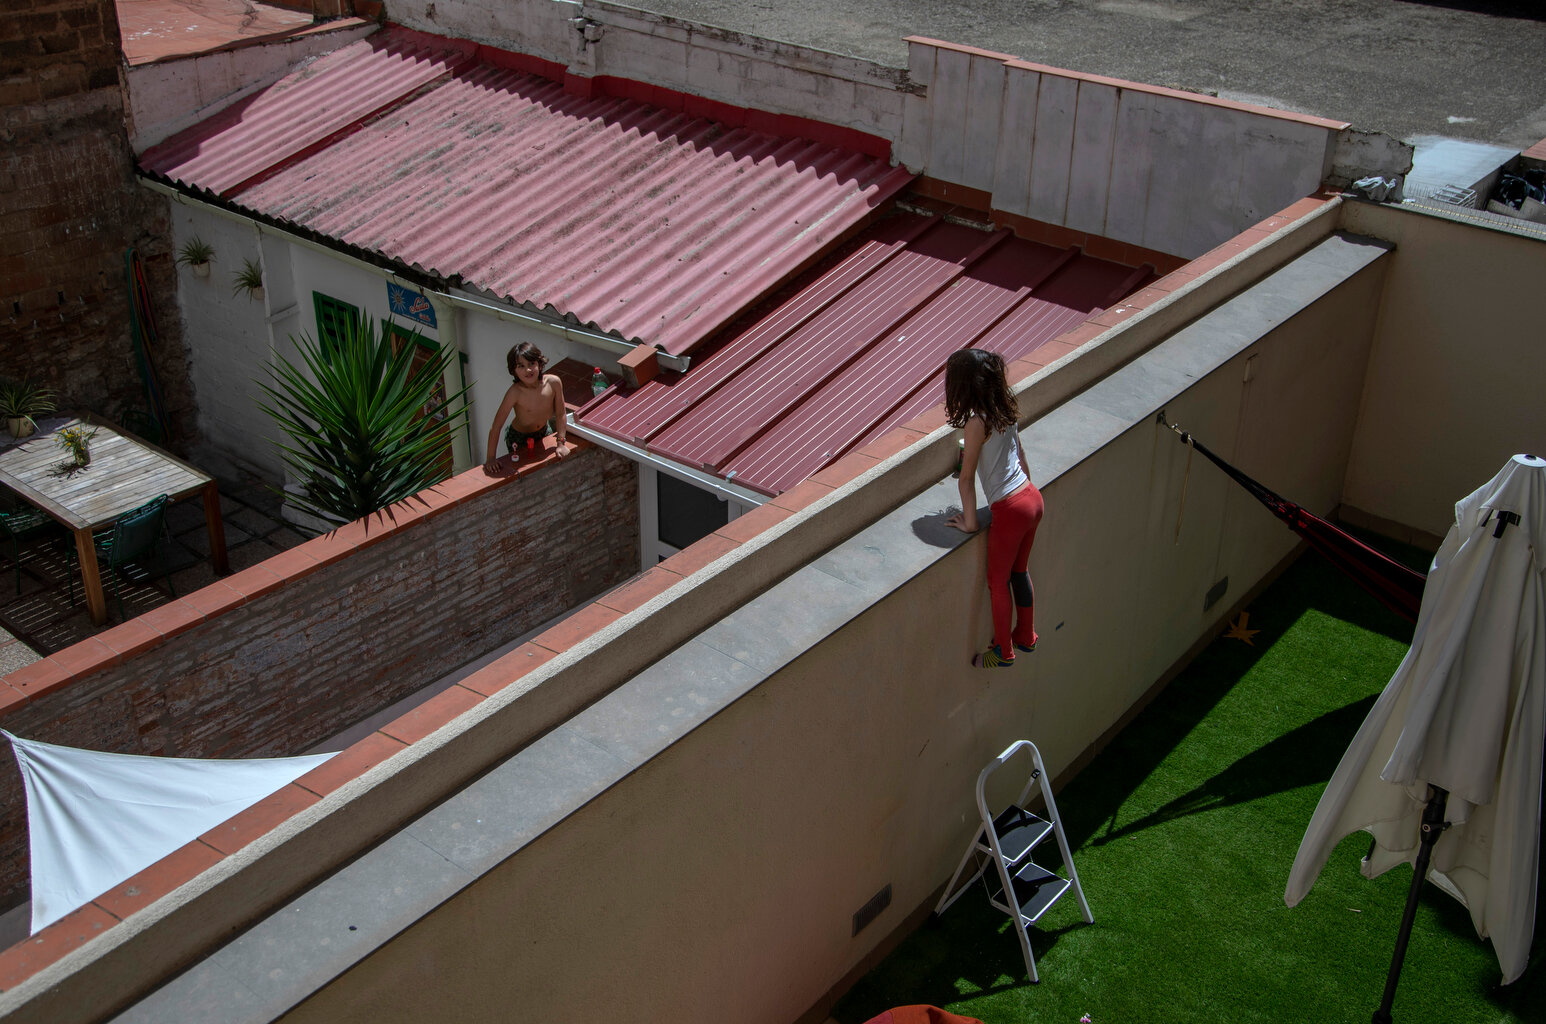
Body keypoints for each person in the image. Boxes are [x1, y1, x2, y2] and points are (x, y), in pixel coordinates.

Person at [944, 348, 1044, 668]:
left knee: (996, 580)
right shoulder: (1006, 410)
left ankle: (1003, 650)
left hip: (1011, 508)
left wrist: (970, 524)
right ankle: (1026, 636)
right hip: (1031, 497)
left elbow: (967, 477)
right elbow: (1021, 455)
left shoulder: (976, 422)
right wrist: (1024, 492)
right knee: (1019, 571)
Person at [484, 342, 571, 474]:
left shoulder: (553, 383)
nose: (528, 370)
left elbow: (560, 413)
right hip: (518, 438)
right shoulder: (515, 392)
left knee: (549, 469)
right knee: (525, 473)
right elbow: (496, 426)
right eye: (521, 366)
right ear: (514, 370)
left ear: (540, 364)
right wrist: (490, 459)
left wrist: (560, 443)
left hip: (543, 430)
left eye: (531, 364)